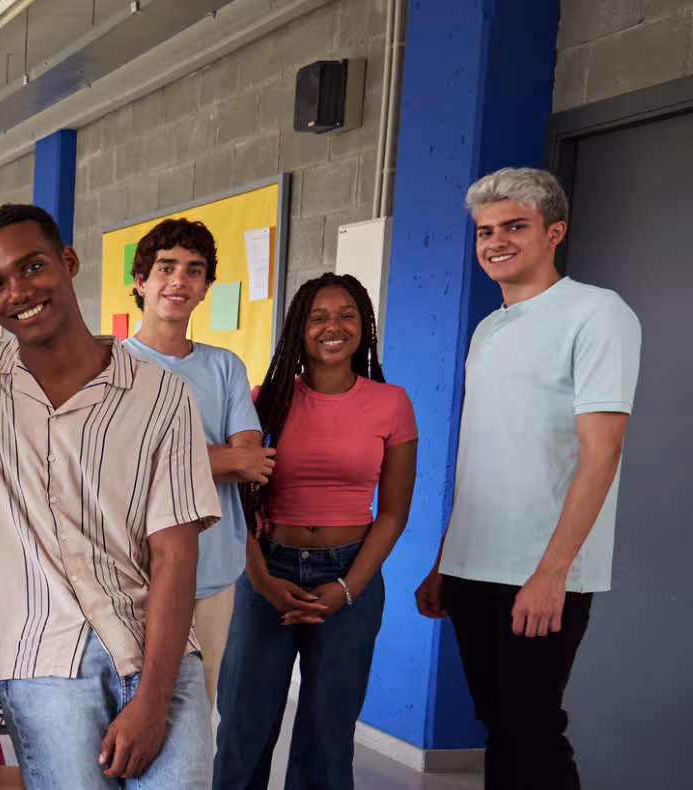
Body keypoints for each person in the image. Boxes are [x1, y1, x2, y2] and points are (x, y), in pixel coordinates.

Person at [0, 204, 218, 789]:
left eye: (32, 266)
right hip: (40, 657)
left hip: (154, 650)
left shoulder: (162, 395)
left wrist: (153, 701)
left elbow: (175, 555)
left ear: (68, 262)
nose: (18, 291)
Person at [415, 167, 641, 789]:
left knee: (532, 729)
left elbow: (602, 453)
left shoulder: (596, 313)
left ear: (554, 232)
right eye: (486, 230)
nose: (496, 241)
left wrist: (552, 573)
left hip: (541, 571)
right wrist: (444, 560)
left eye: (515, 226)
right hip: (471, 565)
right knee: (498, 725)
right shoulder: (489, 329)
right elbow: (483, 456)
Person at [212, 274, 418, 789]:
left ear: (364, 326)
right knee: (244, 729)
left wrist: (348, 589)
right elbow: (238, 499)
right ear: (299, 328)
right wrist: (260, 579)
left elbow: (392, 511)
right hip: (266, 573)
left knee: (327, 738)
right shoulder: (268, 399)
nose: (333, 326)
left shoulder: (392, 403)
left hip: (350, 576)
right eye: (318, 316)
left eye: (347, 314)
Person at [120, 218, 275, 703]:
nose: (179, 280)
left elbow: (254, 461)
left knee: (195, 710)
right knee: (129, 709)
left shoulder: (224, 366)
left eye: (194, 270)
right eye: (166, 268)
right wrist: (219, 458)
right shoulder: (111, 368)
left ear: (206, 287)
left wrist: (158, 456)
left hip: (213, 572)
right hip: (132, 574)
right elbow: (119, 464)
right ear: (141, 282)